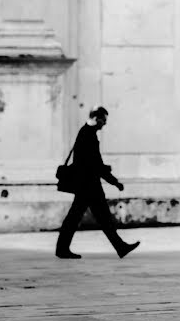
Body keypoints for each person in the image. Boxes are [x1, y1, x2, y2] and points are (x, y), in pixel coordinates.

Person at [55, 106, 140, 260]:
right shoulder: (88, 135)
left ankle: (119, 246)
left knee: (93, 217)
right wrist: (114, 182)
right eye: (104, 120)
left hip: (87, 184)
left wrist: (106, 173)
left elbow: (91, 163)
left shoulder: (86, 132)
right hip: (89, 185)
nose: (105, 124)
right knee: (92, 217)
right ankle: (119, 246)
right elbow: (95, 165)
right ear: (96, 118)